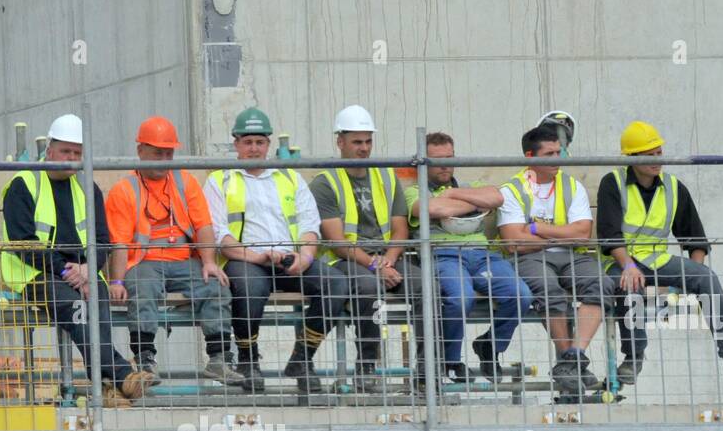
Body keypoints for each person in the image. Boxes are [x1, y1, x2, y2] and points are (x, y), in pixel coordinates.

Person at [0, 113, 157, 407]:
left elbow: (101, 239)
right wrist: (65, 271)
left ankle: (109, 389)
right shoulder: (23, 184)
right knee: (76, 310)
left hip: (82, 272)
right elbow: (23, 242)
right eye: (65, 151)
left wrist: (87, 270)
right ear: (49, 151)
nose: (71, 158)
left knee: (98, 306)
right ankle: (123, 375)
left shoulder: (87, 187)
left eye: (77, 153)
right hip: (34, 273)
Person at [601, 121, 723, 383]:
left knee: (705, 277)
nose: (658, 161)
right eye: (649, 155)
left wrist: (692, 276)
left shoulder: (673, 186)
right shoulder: (613, 183)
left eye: (659, 154)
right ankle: (633, 358)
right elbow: (609, 234)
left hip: (660, 261)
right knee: (628, 287)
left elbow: (694, 238)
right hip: (622, 263)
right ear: (630, 158)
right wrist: (628, 266)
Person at [204, 107, 348, 394]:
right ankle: (248, 361)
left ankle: (302, 358)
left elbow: (310, 224)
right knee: (249, 287)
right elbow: (219, 232)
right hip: (245, 259)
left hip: (289, 259)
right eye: (247, 142)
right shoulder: (220, 179)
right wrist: (256, 255)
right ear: (236, 144)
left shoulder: (290, 178)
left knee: (335, 284)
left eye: (260, 142)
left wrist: (305, 257)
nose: (254, 148)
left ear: (268, 144)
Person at [105, 116, 241, 384]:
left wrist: (209, 262)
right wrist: (118, 280)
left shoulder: (185, 182)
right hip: (144, 262)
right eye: (158, 153)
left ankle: (219, 359)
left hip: (183, 260)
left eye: (168, 153)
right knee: (142, 287)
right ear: (140, 151)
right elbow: (119, 242)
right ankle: (144, 361)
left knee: (215, 284)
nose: (164, 159)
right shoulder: (123, 190)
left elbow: (203, 224)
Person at [310, 105, 424, 394]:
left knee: (428, 286)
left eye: (368, 141)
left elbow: (400, 229)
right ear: (340, 141)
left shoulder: (385, 177)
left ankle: (427, 367)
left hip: (387, 257)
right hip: (346, 259)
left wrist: (388, 260)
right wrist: (375, 266)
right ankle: (367, 366)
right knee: (367, 287)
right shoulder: (325, 183)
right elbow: (336, 241)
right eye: (357, 142)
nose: (364, 148)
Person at [405, 132, 531, 386]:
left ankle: (489, 346)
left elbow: (496, 198)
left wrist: (451, 195)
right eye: (435, 160)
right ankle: (451, 361)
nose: (444, 165)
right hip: (442, 256)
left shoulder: (466, 186)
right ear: (423, 162)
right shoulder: (413, 191)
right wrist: (470, 203)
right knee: (461, 297)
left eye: (449, 158)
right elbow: (433, 209)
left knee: (521, 295)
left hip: (482, 255)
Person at [498, 124, 614, 395]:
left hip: (572, 255)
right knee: (548, 289)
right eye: (549, 154)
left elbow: (583, 234)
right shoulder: (512, 189)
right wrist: (562, 236)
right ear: (530, 157)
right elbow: (513, 241)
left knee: (601, 282)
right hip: (530, 258)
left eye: (559, 152)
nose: (557, 159)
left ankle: (572, 358)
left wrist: (537, 229)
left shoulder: (571, 185)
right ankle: (569, 364)